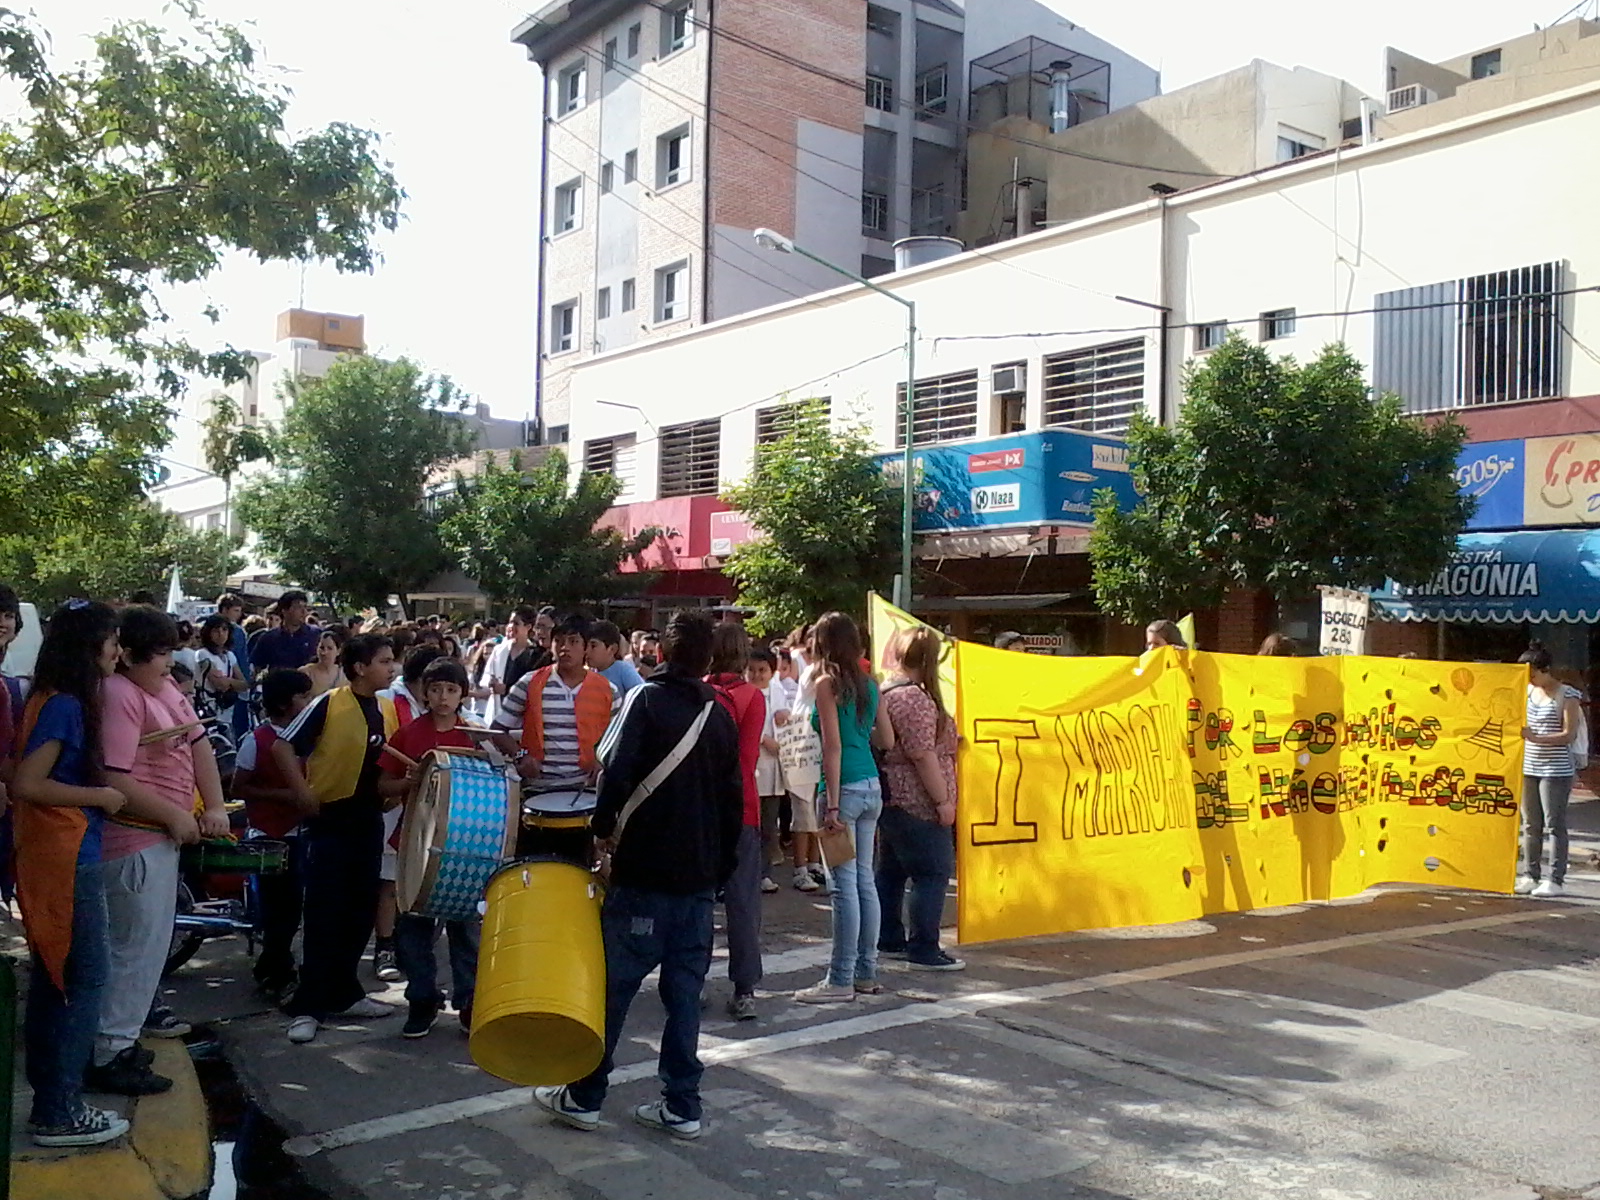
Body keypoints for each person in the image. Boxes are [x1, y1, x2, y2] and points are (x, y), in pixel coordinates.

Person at [533, 610, 742, 1141]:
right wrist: (720, 872)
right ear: (710, 659)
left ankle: (584, 1094)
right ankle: (683, 1105)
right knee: (684, 998)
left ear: (662, 652)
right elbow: (731, 804)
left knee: (615, 989)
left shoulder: (643, 701)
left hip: (645, 875)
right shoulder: (720, 715)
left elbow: (615, 771)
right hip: (697, 881)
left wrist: (603, 832)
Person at [92, 606, 227, 1089]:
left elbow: (198, 743)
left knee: (149, 949)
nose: (171, 663)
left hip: (162, 839)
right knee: (131, 950)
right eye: (162, 654)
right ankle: (108, 1052)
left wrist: (214, 806)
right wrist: (172, 814)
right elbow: (112, 775)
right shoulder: (118, 694)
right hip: (131, 841)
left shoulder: (162, 688)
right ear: (127, 656)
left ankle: (121, 1042)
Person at [12, 601, 131, 1146]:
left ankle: (54, 1102)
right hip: (65, 856)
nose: (118, 650)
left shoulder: (48, 696)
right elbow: (30, 784)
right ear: (89, 645)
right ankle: (59, 1110)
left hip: (53, 853)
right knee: (82, 980)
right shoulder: (63, 704)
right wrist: (101, 796)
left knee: (57, 981)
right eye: (111, 640)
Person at [273, 634, 401, 1043]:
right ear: (360, 667)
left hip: (367, 819)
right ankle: (309, 1004)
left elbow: (388, 765)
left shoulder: (386, 709)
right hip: (329, 819)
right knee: (325, 912)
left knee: (360, 910)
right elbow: (281, 747)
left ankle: (346, 992)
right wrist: (301, 791)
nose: (392, 668)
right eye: (384, 661)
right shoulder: (327, 702)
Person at [379, 657, 485, 1037]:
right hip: (415, 844)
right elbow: (382, 788)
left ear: (463, 695)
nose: (443, 697)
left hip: (464, 847)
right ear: (424, 692)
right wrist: (409, 782)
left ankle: (470, 1002)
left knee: (465, 930)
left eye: (452, 690)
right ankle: (422, 1000)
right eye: (436, 688)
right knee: (415, 929)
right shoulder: (407, 735)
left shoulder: (475, 736)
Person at [795, 612, 894, 1004]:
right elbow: (886, 739)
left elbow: (832, 747)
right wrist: (861, 730)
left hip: (843, 789)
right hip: (871, 785)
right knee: (865, 883)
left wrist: (832, 805)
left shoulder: (826, 684)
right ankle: (866, 972)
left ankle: (839, 980)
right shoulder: (870, 684)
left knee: (843, 889)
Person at [877, 627, 963, 971]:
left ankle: (889, 937)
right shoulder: (914, 698)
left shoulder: (887, 691)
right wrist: (943, 800)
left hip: (891, 796)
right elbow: (922, 754)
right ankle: (924, 946)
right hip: (917, 799)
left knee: (892, 871)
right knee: (933, 872)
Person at [233, 669, 315, 1002]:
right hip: (269, 835)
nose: (308, 703)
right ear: (284, 703)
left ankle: (275, 965)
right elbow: (239, 786)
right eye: (303, 697)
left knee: (293, 906)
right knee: (277, 909)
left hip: (301, 832)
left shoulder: (309, 738)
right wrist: (284, 796)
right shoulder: (257, 740)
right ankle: (276, 968)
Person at [704, 623, 766, 1020]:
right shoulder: (752, 698)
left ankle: (688, 982)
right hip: (740, 807)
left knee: (697, 901)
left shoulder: (699, 692)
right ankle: (744, 989)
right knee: (743, 903)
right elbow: (748, 760)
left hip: (699, 809)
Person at [491, 615, 619, 806]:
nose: (564, 648)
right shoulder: (529, 683)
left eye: (573, 642)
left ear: (585, 648)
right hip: (536, 790)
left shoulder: (609, 690)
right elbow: (498, 729)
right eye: (558, 641)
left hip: (587, 792)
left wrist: (603, 763)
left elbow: (619, 739)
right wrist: (520, 756)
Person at [373, 644, 445, 982]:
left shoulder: (452, 717)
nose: (443, 694)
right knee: (390, 880)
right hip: (397, 804)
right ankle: (384, 946)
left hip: (432, 809)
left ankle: (411, 945)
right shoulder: (391, 701)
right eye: (436, 685)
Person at [1516, 643, 1582, 899]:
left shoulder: (1568, 695)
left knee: (1555, 824)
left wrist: (1536, 738)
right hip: (1528, 765)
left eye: (1533, 674)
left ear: (1545, 671)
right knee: (1530, 824)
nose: (1530, 679)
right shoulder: (1527, 692)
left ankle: (1555, 878)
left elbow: (1569, 734)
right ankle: (1530, 875)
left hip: (1556, 769)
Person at [747, 648, 786, 896]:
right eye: (752, 670)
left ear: (772, 672)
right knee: (750, 824)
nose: (757, 675)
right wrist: (763, 739)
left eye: (762, 670)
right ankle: (748, 874)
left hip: (774, 767)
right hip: (753, 763)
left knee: (769, 825)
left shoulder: (778, 691)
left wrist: (785, 716)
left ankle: (765, 873)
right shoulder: (746, 692)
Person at [484, 607, 538, 723]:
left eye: (516, 623)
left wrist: (507, 689)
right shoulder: (499, 650)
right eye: (510, 622)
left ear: (528, 627)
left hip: (522, 713)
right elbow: (488, 675)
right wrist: (491, 683)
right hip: (498, 709)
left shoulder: (534, 654)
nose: (511, 627)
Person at [252, 591, 322, 678]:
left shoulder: (316, 634)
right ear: (284, 611)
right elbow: (256, 668)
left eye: (305, 607)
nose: (304, 612)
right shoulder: (268, 638)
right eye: (298, 607)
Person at [216, 594, 254, 742]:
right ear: (225, 610)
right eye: (236, 610)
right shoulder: (235, 631)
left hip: (236, 680)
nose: (239, 614)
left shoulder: (239, 630)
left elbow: (242, 659)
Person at [196, 613, 249, 712]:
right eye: (216, 631)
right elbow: (220, 685)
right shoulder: (202, 654)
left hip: (227, 711)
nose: (221, 634)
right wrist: (232, 683)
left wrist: (228, 681)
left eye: (224, 630)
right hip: (209, 709)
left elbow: (244, 685)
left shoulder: (229, 656)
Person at [586, 620, 646, 697]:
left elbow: (642, 696)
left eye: (593, 646)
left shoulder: (623, 670)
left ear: (612, 649)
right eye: (585, 645)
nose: (586, 651)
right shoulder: (588, 673)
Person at [302, 625, 348, 697]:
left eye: (330, 648)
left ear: (338, 651)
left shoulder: (345, 674)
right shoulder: (306, 673)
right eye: (322, 648)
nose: (324, 652)